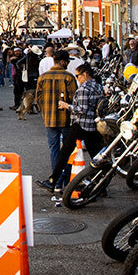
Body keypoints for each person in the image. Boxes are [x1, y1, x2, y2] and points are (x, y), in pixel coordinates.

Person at [56, 62, 104, 193]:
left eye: (78, 76)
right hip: (93, 124)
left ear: (85, 74)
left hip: (81, 124)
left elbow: (81, 109)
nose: (77, 79)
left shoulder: (84, 89)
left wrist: (66, 106)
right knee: (96, 154)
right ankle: (102, 184)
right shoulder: (99, 86)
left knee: (65, 151)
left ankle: (55, 180)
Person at [35, 52, 76, 192]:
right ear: (63, 62)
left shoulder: (43, 77)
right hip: (66, 119)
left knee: (54, 150)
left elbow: (38, 98)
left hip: (49, 119)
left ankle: (57, 183)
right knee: (68, 151)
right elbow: (74, 98)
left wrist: (45, 112)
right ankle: (67, 180)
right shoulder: (68, 77)